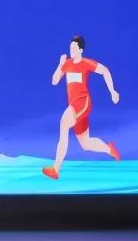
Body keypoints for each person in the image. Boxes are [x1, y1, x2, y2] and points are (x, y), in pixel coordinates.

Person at [42, 35, 120, 179]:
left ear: (81, 50)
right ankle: (110, 149)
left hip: (83, 102)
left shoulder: (86, 63)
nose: (71, 50)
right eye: (70, 47)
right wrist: (60, 64)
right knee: (86, 144)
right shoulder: (67, 64)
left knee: (64, 123)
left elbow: (105, 71)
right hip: (74, 105)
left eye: (74, 48)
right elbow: (54, 81)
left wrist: (112, 91)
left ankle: (56, 169)